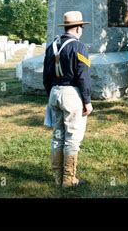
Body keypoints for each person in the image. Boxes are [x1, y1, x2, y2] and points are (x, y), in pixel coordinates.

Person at [43, 11, 93, 188]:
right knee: (72, 138)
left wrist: (51, 94)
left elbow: (46, 76)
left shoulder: (52, 46)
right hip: (72, 94)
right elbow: (83, 76)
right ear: (78, 28)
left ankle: (57, 178)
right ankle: (68, 179)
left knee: (57, 136)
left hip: (54, 92)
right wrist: (87, 100)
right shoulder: (79, 47)